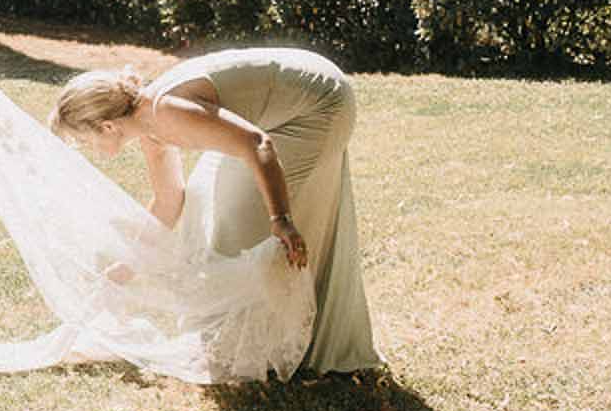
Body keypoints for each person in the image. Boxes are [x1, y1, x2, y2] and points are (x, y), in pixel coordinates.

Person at [50, 48, 382, 375]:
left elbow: (258, 145)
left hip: (319, 104)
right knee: (202, 208)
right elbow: (169, 201)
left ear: (108, 126)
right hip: (278, 111)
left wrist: (281, 219)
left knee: (236, 225)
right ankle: (226, 339)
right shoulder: (149, 126)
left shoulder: (166, 112)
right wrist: (128, 264)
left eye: (84, 140)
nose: (89, 150)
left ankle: (257, 344)